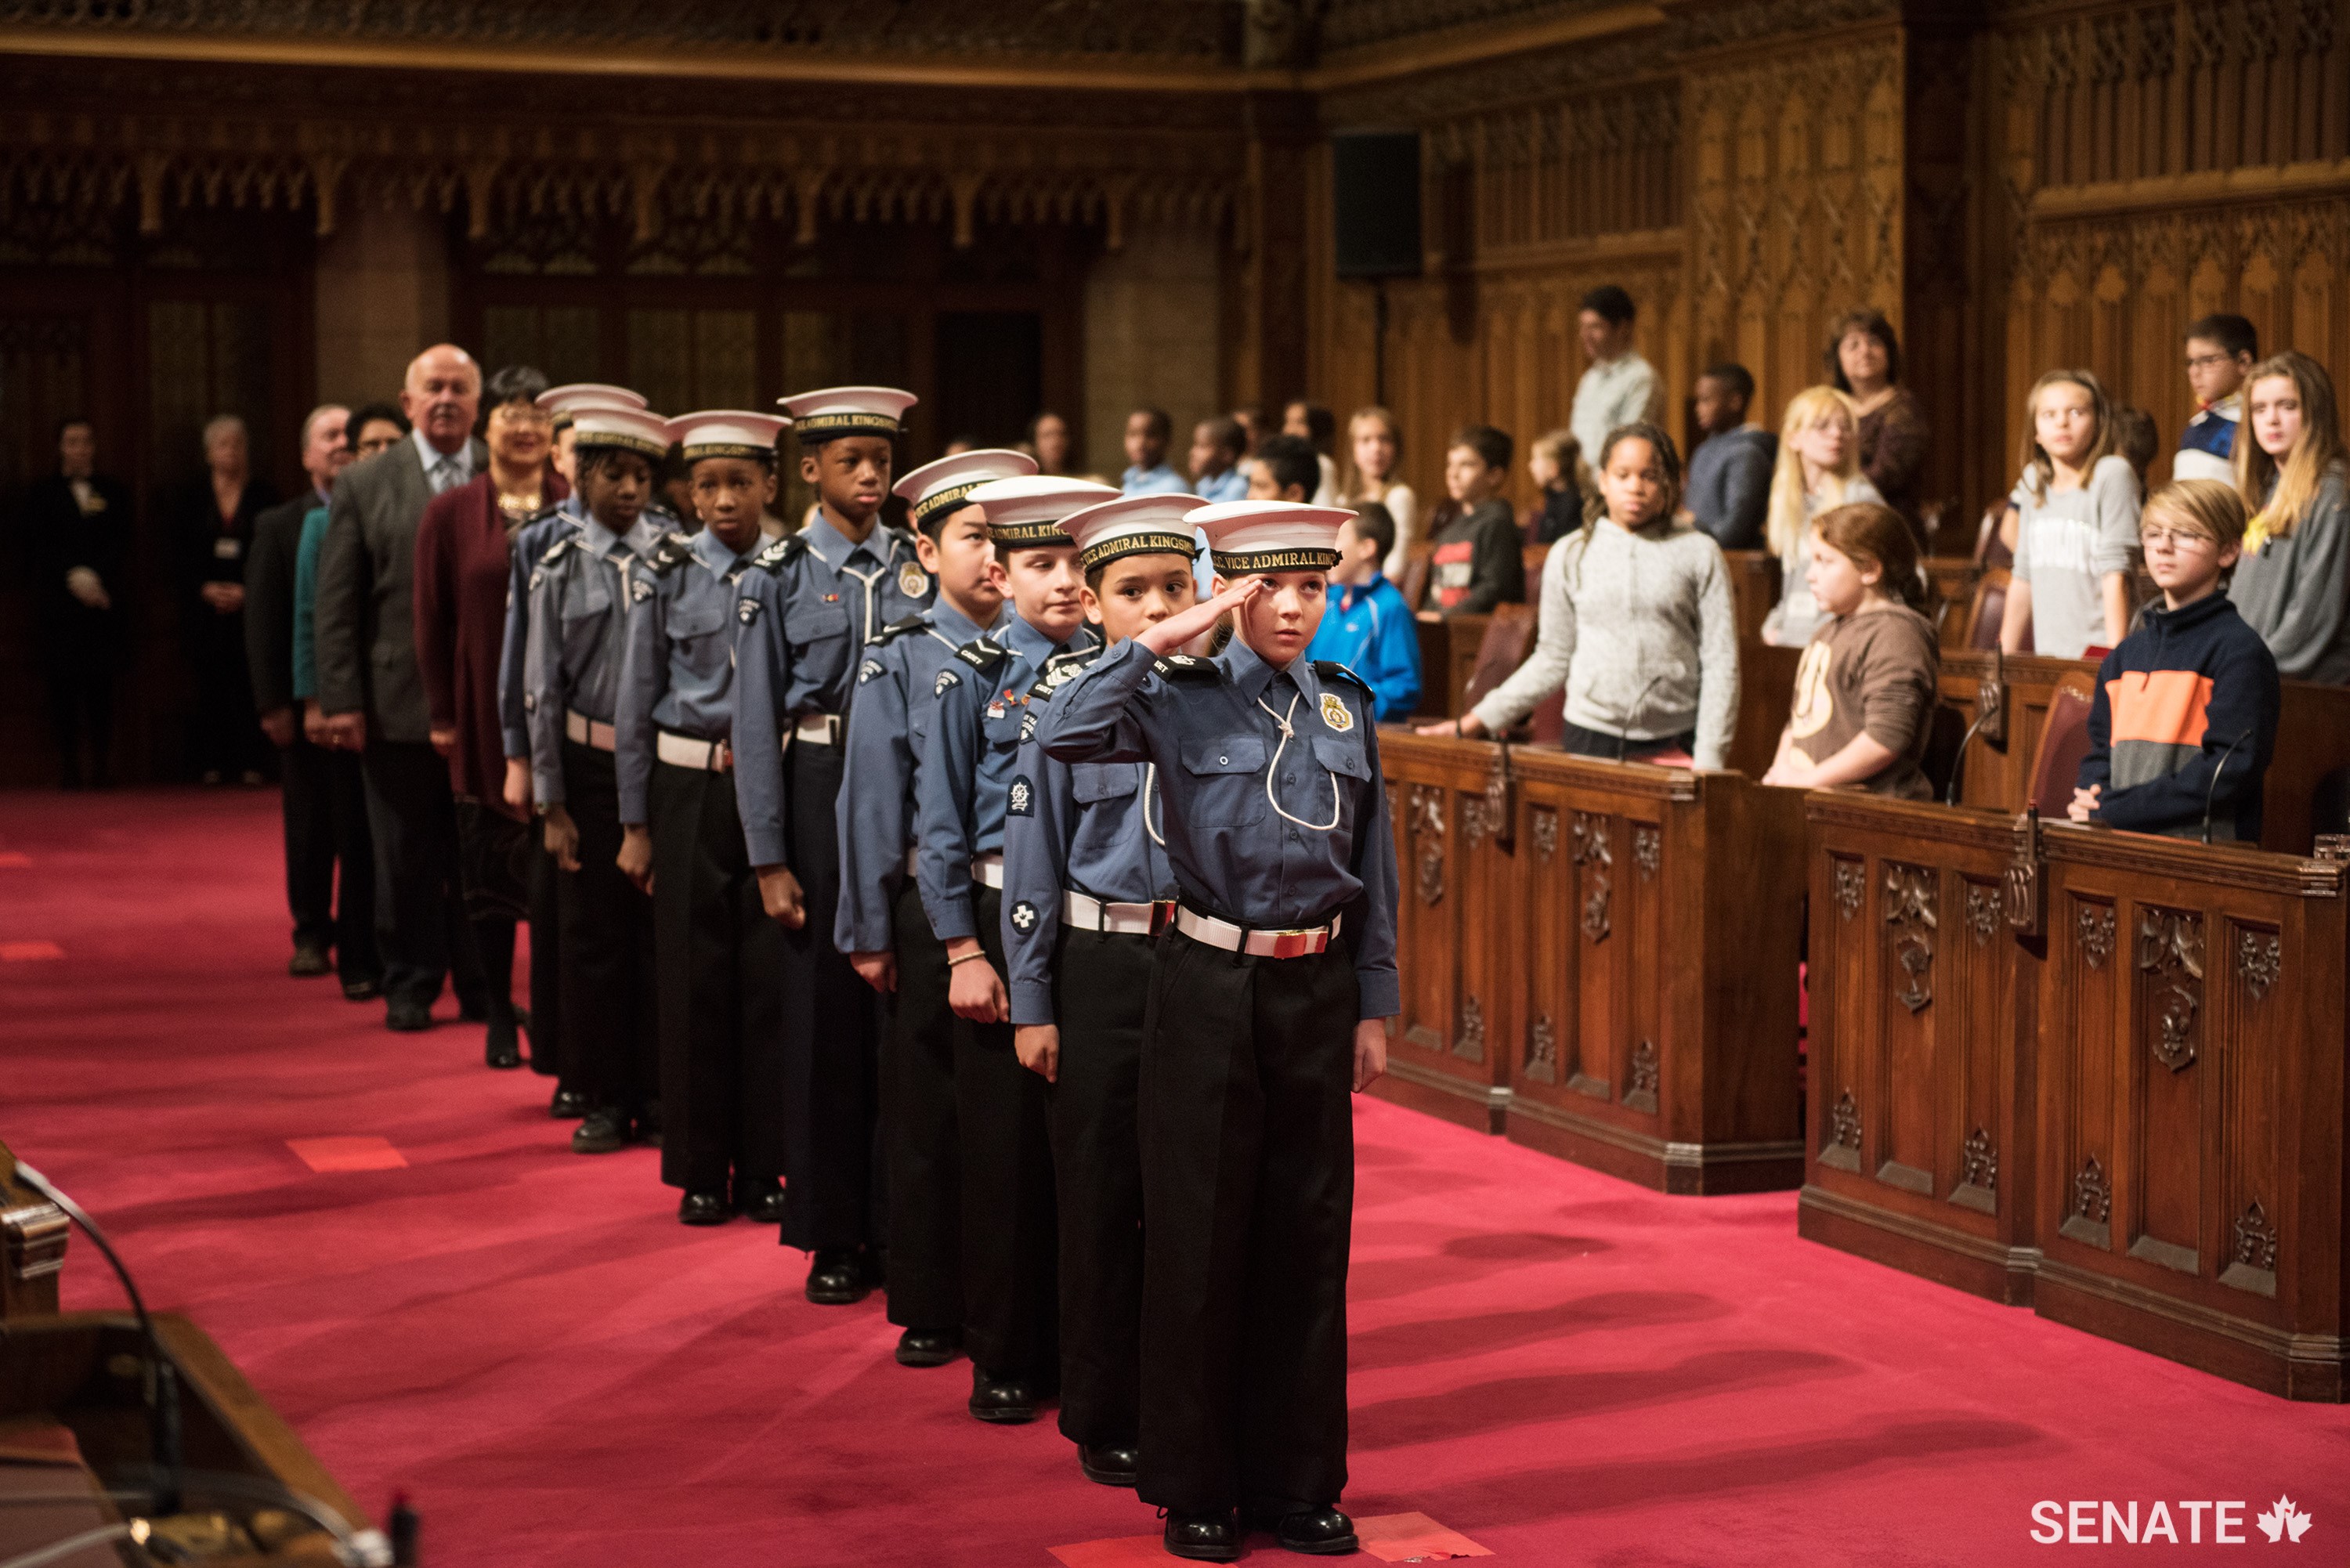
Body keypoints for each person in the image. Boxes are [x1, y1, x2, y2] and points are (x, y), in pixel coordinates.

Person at [1037, 497, 1396, 1563]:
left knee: (1306, 1238)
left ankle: (1299, 1482)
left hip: (1315, 989)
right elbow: (1060, 733)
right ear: (1232, 590)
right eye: (1269, 588)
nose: (1294, 607)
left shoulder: (1345, 705)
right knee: (1196, 1239)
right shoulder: (1174, 698)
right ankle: (1194, 1483)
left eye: (1312, 587)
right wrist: (1156, 639)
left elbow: (1369, 870)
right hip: (1203, 982)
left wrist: (1374, 1001)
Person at [1001, 490, 1201, 1490]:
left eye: (1175, 584)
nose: (1158, 604)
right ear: (1098, 600)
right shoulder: (1067, 697)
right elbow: (1032, 861)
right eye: (1134, 590)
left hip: (1199, 962)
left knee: (1187, 1204)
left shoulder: (1221, 697)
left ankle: (1177, 1400)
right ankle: (1102, 1407)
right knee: (1100, 1195)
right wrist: (1033, 1001)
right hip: (1102, 963)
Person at [917, 472, 1119, 1425]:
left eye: (1080, 561)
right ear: (1000, 570)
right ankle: (1002, 1350)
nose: (1066, 582)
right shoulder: (967, 674)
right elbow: (941, 822)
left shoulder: (1115, 669)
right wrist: (961, 947)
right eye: (1042, 564)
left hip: (1090, 925)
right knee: (1001, 1159)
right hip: (998, 921)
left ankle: (1086, 1354)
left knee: (1084, 1159)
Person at [733, 385, 931, 1304]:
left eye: (883, 460)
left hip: (900, 795)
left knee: (896, 1014)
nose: (870, 475)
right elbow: (754, 717)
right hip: (816, 787)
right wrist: (769, 858)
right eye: (851, 460)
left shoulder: (916, 565)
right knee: (823, 1018)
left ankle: (899, 1223)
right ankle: (833, 1230)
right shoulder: (774, 574)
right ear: (808, 469)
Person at [835, 448, 1032, 1363]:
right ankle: (929, 1297)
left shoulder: (1058, 651)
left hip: (1023, 908)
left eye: (1008, 540)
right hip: (932, 905)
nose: (993, 558)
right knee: (929, 1113)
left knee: (1006, 1130)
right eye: (975, 538)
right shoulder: (903, 652)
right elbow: (872, 801)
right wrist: (870, 928)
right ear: (926, 549)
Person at [614, 410, 792, 1225]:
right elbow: (634, 698)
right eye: (709, 485)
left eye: (741, 483)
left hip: (769, 790)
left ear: (770, 486)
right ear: (688, 492)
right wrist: (635, 821)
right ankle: (697, 1166)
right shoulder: (665, 571)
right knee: (693, 983)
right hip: (686, 792)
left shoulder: (791, 570)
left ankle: (763, 1164)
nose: (725, 500)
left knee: (765, 983)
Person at [313, 345, 492, 1033]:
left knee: (479, 851)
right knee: (407, 854)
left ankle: (482, 984)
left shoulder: (502, 472)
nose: (446, 399)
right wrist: (343, 701)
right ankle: (411, 981)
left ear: (478, 404)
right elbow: (337, 603)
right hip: (395, 702)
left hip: (485, 706)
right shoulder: (367, 481)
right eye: (433, 388)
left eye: (459, 388)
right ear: (408, 400)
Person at [525, 401, 669, 1154]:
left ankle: (657, 1089)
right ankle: (604, 1093)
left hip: (660, 767)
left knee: (657, 938)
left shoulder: (673, 556)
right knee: (593, 938)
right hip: (587, 767)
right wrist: (551, 800)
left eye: (642, 476)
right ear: (580, 478)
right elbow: (542, 688)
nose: (629, 490)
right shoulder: (556, 565)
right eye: (613, 473)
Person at [414, 365, 568, 1071]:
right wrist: (443, 713)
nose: (525, 425)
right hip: (481, 712)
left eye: (538, 413)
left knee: (562, 870)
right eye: (511, 412)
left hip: (569, 715)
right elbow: (431, 619)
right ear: (487, 427)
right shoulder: (450, 514)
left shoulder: (576, 505)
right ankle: (500, 1010)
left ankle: (560, 1011)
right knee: (489, 868)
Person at [1428, 425, 1739, 768]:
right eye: (1623, 475)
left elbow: (1721, 661)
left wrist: (1711, 758)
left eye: (1649, 476)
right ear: (1604, 480)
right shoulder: (1572, 552)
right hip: (1591, 735)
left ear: (1669, 482)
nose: (1635, 487)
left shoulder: (1699, 551)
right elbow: (1552, 657)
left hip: (1676, 737)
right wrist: (1478, 720)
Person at [2072, 479, 2278, 841]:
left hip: (2202, 860)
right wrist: (2092, 797)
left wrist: (2117, 810)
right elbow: (2100, 753)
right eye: (2153, 533)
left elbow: (2227, 773)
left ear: (2228, 551)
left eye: (2185, 534)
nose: (2164, 546)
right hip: (2123, 846)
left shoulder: (2240, 653)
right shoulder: (2124, 658)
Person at [288, 407, 395, 1005]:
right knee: (355, 835)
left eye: (390, 444)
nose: (379, 453)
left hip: (409, 700)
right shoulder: (321, 523)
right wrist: (318, 700)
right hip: (353, 699)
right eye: (368, 444)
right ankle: (359, 954)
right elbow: (314, 619)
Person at [246, 404, 352, 976]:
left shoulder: (376, 511)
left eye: (347, 435)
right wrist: (273, 704)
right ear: (306, 454)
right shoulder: (280, 524)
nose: (341, 444)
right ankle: (310, 931)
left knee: (359, 827)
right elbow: (264, 621)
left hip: (364, 703)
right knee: (310, 825)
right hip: (301, 701)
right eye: (328, 436)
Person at [1760, 502, 1939, 798]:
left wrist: (1810, 780)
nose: (1810, 575)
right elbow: (1798, 721)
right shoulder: (1827, 630)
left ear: (1869, 569)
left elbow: (1886, 738)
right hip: (1816, 800)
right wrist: (1780, 774)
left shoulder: (1895, 634)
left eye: (1824, 561)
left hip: (1868, 813)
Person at [2000, 369, 2138, 660]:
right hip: (2050, 655)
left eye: (2076, 412)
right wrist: (2003, 662)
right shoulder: (2033, 478)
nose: (2062, 422)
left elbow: (2117, 574)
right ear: (2036, 431)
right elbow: (2023, 575)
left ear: (2099, 423)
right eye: (2049, 414)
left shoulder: (2112, 474)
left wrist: (2117, 661)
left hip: (2099, 651)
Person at [2230, 351, 2350, 683]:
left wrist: (2252, 670)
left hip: (2304, 690)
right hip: (2256, 675)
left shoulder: (2332, 492)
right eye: (2259, 409)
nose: (2271, 420)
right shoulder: (2269, 488)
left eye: (2288, 406)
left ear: (2315, 412)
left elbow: (2315, 613)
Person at [27, 419, 132, 788]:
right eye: (72, 442)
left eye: (86, 441)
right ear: (60, 447)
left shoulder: (113, 492)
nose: (80, 448)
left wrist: (96, 578)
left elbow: (122, 542)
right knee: (64, 691)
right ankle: (69, 768)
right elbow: (35, 547)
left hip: (102, 607)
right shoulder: (41, 495)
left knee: (101, 690)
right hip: (61, 611)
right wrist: (71, 576)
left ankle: (103, 766)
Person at [179, 414, 280, 784]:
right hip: (204, 610)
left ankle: (252, 762)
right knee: (210, 688)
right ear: (208, 453)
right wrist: (202, 588)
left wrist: (250, 592)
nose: (232, 451)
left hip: (250, 607)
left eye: (238, 444)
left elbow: (273, 552)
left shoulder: (264, 495)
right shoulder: (192, 497)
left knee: (249, 686)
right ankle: (211, 763)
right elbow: (177, 553)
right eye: (223, 444)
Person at [1760, 387, 1883, 646]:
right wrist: (1775, 624)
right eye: (1822, 426)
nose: (1837, 434)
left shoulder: (1858, 497)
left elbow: (1898, 575)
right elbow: (1794, 587)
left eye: (1844, 427)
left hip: (1834, 643)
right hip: (1790, 641)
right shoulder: (1790, 500)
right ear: (1793, 438)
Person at [1305, 502, 1419, 720]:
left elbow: (1404, 688)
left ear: (1367, 548)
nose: (1328, 549)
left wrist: (1349, 706)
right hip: (1314, 721)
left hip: (1359, 730)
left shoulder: (1390, 607)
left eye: (1336, 539)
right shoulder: (1326, 600)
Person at [1824, 309, 1928, 533]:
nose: (1865, 351)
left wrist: (1828, 491)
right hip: (1830, 514)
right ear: (1837, 358)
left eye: (1874, 343)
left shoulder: (1903, 409)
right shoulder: (1829, 406)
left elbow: (1885, 474)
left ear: (1889, 353)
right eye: (1853, 345)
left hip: (1885, 525)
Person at [1418, 425, 1524, 618]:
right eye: (1450, 464)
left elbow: (1494, 589)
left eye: (1466, 465)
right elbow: (1437, 590)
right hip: (1443, 630)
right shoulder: (1449, 531)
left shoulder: (1497, 524)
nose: (1453, 473)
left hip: (1473, 633)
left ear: (1494, 475)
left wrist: (1445, 618)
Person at [1679, 363, 1775, 549]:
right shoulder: (1703, 450)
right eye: (1698, 401)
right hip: (1699, 551)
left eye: (1706, 400)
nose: (1698, 408)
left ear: (1735, 402)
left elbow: (1736, 529)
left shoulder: (1747, 453)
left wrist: (1695, 535)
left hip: (1728, 561)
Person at [1568, 284, 1664, 465]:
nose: (1585, 335)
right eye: (1583, 327)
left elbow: (1628, 444)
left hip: (1616, 486)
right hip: (1582, 488)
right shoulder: (1590, 378)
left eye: (1595, 327)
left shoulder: (1641, 378)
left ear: (1623, 328)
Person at [2175, 314, 2258, 485]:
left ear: (2244, 362)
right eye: (2190, 362)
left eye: (2207, 360)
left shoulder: (2256, 423)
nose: (2194, 372)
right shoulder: (2198, 422)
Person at [1339, 406, 1417, 581]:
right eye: (1366, 440)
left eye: (1384, 439)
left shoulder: (1399, 496)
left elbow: (1395, 566)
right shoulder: (1344, 500)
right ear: (1353, 451)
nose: (1376, 448)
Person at [1524, 429, 1583, 545]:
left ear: (1553, 469)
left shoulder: (1573, 506)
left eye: (1536, 459)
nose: (1531, 465)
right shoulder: (1549, 498)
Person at [1282, 401, 1340, 504]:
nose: (1290, 430)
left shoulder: (1321, 464)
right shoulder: (1286, 463)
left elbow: (1325, 507)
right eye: (1288, 422)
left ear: (1316, 427)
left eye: (1300, 422)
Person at [1120, 409, 1186, 496]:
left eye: (1150, 435)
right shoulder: (1128, 484)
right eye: (1133, 434)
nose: (1140, 442)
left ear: (1167, 441)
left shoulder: (1174, 489)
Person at [1188, 417, 1249, 504]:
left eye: (1202, 446)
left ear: (1226, 455)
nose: (1193, 452)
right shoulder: (1203, 484)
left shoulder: (1237, 488)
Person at [1027, 411, 1074, 476]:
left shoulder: (1079, 478)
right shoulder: (1027, 479)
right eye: (1047, 435)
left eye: (1061, 434)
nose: (1055, 442)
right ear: (1034, 443)